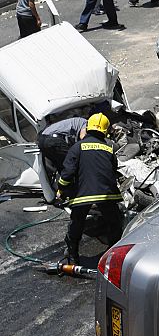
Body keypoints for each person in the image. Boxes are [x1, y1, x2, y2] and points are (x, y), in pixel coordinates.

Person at [56, 113, 123, 264]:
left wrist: (61, 190)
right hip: (108, 194)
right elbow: (113, 170)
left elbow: (67, 174)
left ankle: (72, 256)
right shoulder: (109, 148)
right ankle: (115, 256)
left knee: (77, 222)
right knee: (114, 223)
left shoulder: (76, 148)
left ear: (87, 128)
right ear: (105, 132)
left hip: (83, 195)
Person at [38, 116, 87, 182]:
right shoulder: (85, 123)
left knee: (62, 167)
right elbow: (83, 138)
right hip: (53, 140)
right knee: (71, 163)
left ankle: (64, 187)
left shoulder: (72, 123)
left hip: (42, 140)